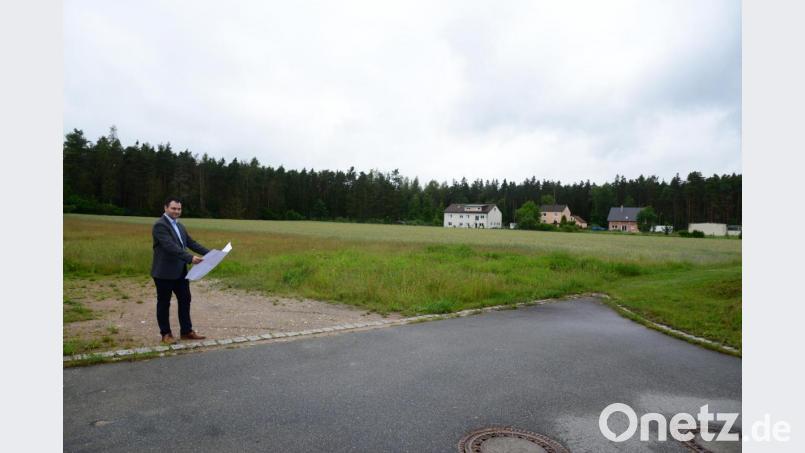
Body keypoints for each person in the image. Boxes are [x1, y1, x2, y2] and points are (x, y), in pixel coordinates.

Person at [151, 197, 209, 344]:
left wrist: (212, 253)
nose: (176, 211)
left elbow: (191, 243)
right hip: (164, 273)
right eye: (173, 208)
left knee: (185, 300)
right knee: (164, 303)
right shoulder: (160, 226)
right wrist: (190, 258)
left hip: (180, 272)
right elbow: (170, 247)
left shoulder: (180, 226)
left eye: (179, 209)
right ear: (165, 208)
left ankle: (186, 331)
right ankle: (166, 334)